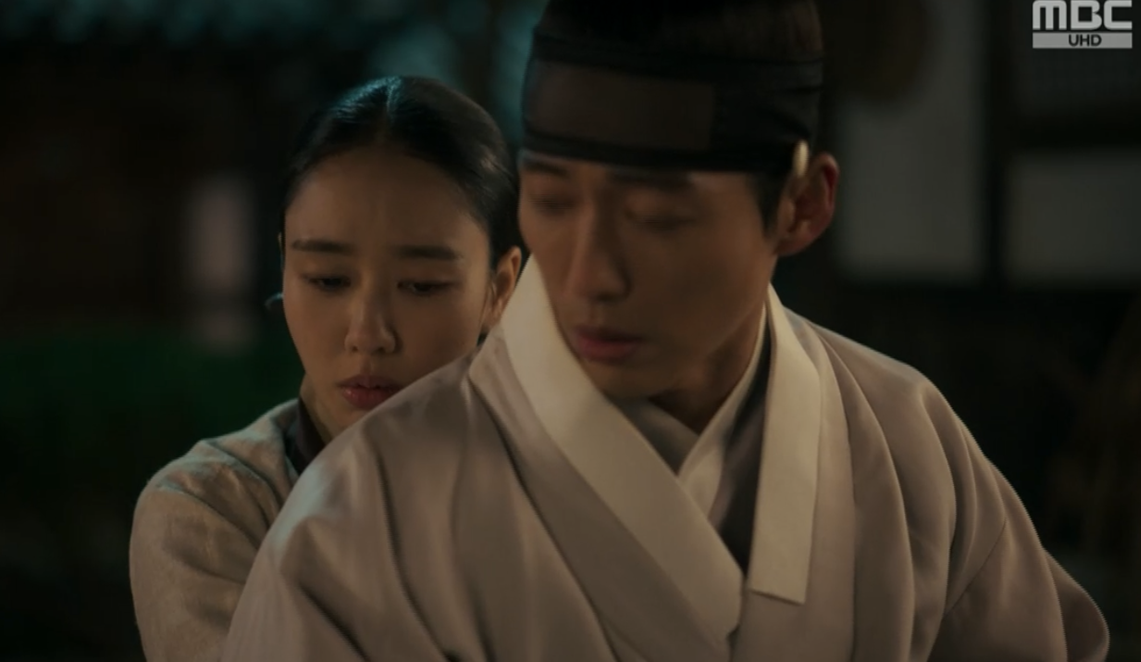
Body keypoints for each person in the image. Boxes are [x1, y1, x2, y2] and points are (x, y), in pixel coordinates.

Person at [221, 1, 1111, 661]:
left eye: (657, 218)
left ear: (801, 205)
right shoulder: (359, 519)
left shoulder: (908, 444)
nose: (588, 274)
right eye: (553, 201)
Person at [128, 76, 522, 662]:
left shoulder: (560, 492)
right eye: (328, 280)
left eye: (421, 285)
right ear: (286, 267)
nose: (368, 334)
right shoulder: (213, 510)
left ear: (500, 288)